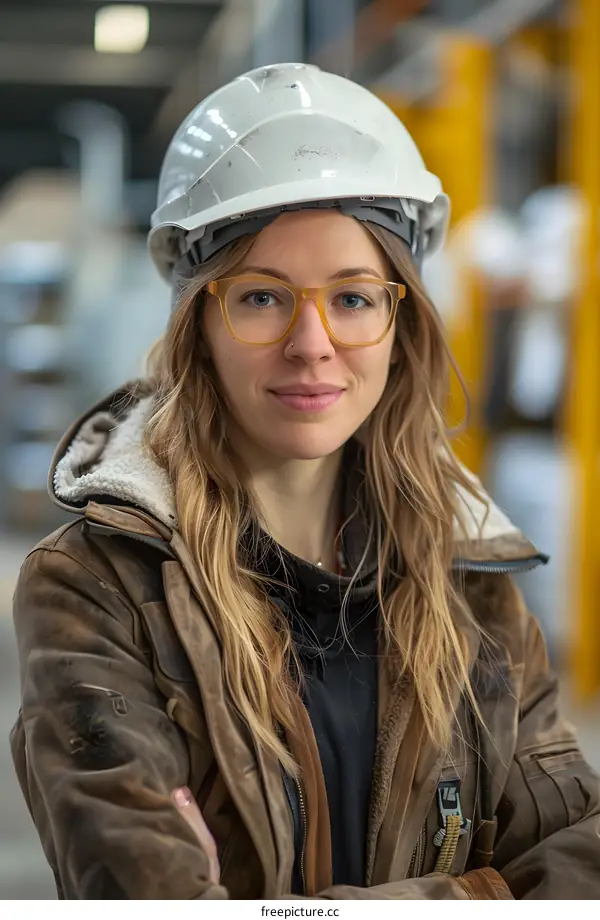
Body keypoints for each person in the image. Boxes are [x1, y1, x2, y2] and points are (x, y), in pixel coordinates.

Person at [10, 63, 600, 901]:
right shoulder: (95, 586)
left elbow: (581, 852)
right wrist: (487, 892)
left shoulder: (471, 579)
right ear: (198, 323)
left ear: (401, 324)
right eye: (261, 297)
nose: (312, 343)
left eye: (354, 299)